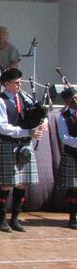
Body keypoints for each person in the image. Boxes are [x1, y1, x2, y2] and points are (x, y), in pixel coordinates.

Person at [0, 68, 45, 232]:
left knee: (21, 184)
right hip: (10, 144)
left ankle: (15, 218)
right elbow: (2, 127)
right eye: (16, 83)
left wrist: (43, 120)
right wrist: (26, 132)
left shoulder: (24, 97)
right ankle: (1, 220)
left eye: (20, 82)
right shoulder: (0, 102)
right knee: (7, 184)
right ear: (6, 84)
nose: (19, 85)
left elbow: (38, 110)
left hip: (25, 144)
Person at [57, 86, 77, 229]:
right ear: (68, 101)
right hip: (72, 154)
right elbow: (65, 138)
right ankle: (72, 218)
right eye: (73, 98)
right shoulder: (63, 117)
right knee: (73, 188)